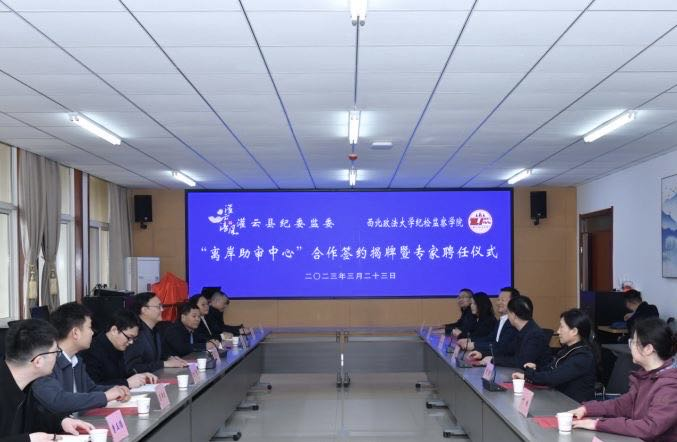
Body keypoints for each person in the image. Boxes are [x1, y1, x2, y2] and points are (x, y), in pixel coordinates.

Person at [570, 318, 677, 441]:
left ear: (648, 349)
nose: (630, 347)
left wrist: (598, 424)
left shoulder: (670, 385)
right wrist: (587, 409)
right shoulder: (645, 375)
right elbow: (622, 405)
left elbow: (649, 427)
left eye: (633, 342)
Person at [1, 319, 95, 442]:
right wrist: (29, 439)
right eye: (56, 352)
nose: (57, 356)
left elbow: (37, 416)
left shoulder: (28, 384)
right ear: (38, 361)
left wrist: (62, 421)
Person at [32, 303, 130, 414]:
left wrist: (116, 390)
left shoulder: (76, 360)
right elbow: (58, 400)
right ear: (75, 333)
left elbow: (90, 389)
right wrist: (105, 396)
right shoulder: (48, 362)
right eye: (89, 327)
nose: (92, 332)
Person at [512, 308, 597, 402]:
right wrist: (536, 368)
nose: (558, 331)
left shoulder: (583, 356)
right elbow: (552, 369)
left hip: (575, 405)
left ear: (574, 331)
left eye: (562, 327)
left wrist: (528, 376)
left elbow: (553, 377)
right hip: (559, 399)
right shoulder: (567, 350)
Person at [82, 309, 158, 388]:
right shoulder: (91, 351)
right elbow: (94, 386)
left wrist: (141, 376)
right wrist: (126, 383)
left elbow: (121, 376)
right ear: (114, 330)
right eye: (129, 337)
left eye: (134, 339)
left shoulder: (117, 346)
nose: (131, 342)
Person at [468, 295, 550, 368]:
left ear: (513, 315)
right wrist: (482, 354)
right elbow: (506, 350)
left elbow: (521, 362)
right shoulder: (522, 330)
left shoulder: (534, 335)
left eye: (508, 313)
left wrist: (493, 360)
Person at [124, 292, 188, 374]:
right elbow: (132, 368)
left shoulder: (155, 330)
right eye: (158, 306)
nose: (162, 309)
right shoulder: (135, 333)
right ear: (144, 310)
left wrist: (169, 358)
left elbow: (154, 358)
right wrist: (164, 364)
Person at [458, 287, 520, 355]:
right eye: (498, 299)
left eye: (503, 300)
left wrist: (475, 345)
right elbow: (490, 338)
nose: (498, 303)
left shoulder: (514, 322)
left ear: (514, 302)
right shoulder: (501, 319)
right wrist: (470, 340)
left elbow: (502, 347)